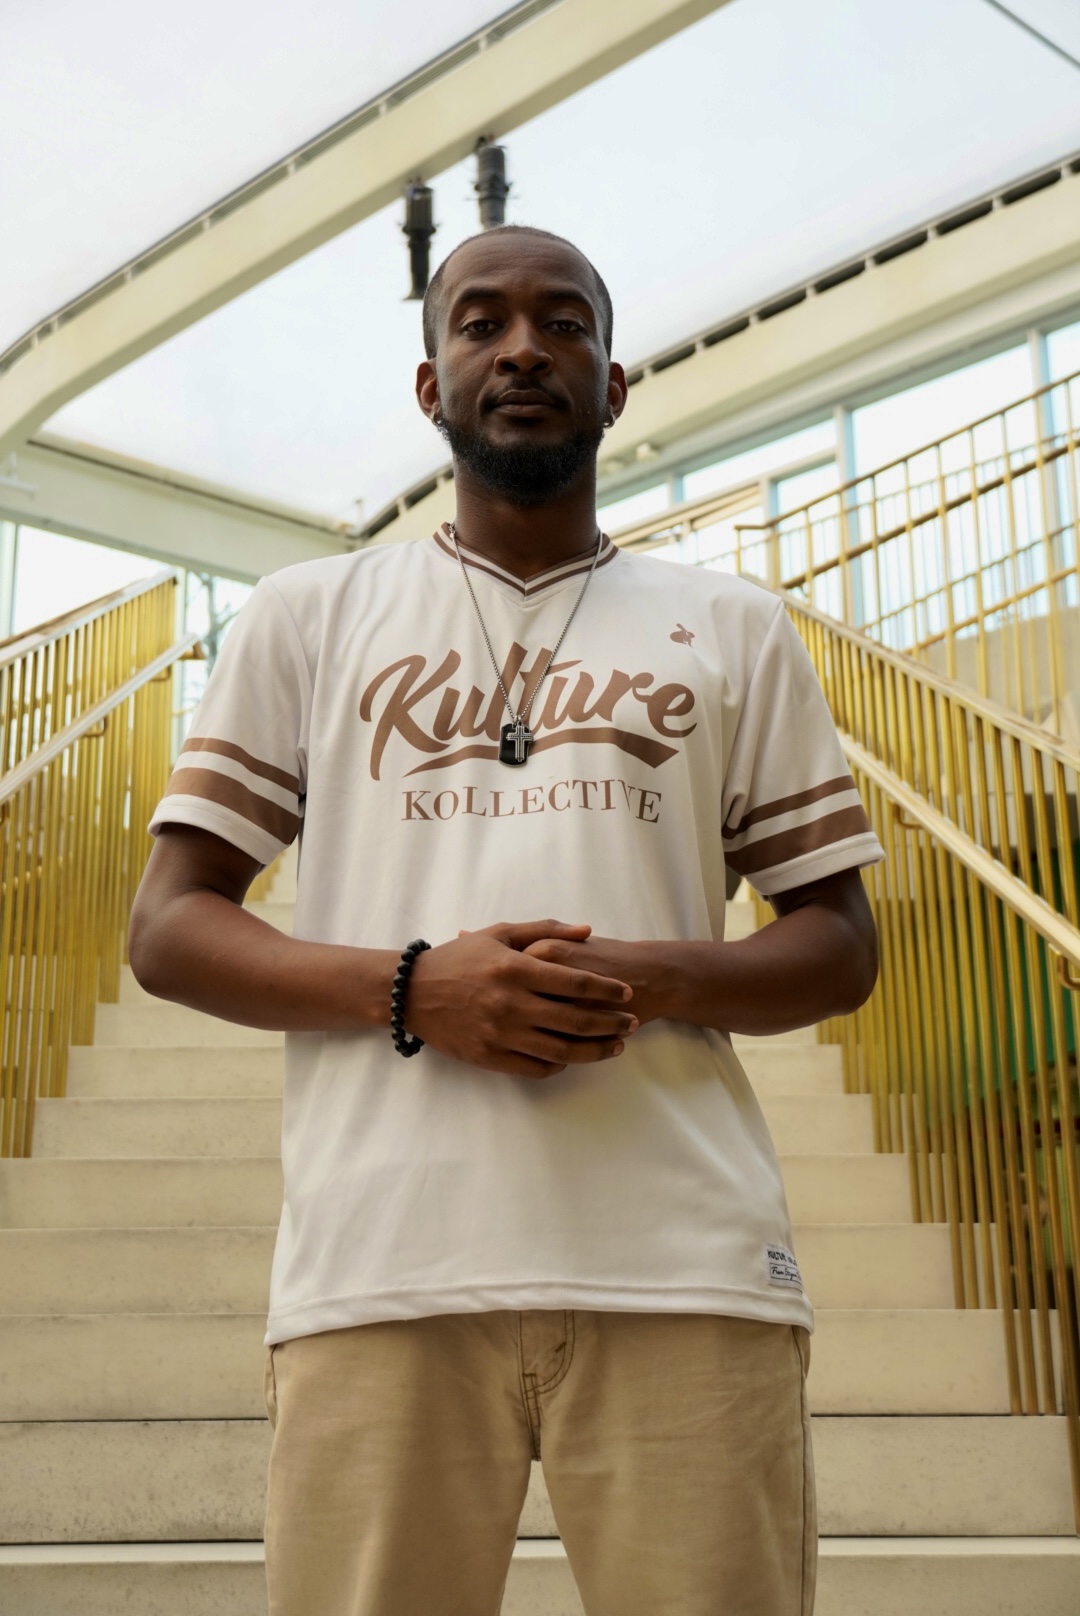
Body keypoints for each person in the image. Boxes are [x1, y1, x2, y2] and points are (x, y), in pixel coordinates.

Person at [129, 224, 882, 1616]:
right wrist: (418, 989)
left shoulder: (730, 627)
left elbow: (838, 944)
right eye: (481, 324)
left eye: (563, 324)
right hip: (380, 1268)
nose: (523, 347)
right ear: (432, 383)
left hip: (689, 1269)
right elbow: (169, 927)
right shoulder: (308, 616)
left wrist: (655, 976)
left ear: (615, 383)